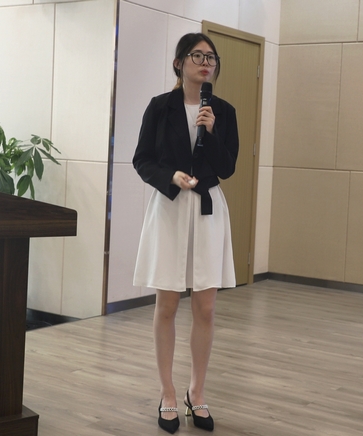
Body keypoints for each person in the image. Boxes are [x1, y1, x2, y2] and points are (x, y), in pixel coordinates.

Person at [132, 32, 239, 434]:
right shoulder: (159, 107)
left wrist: (211, 133)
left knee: (206, 307)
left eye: (211, 57)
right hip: (171, 205)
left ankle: (197, 391)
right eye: (197, 55)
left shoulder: (223, 111)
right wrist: (170, 177)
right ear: (179, 63)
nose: (206, 63)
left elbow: (227, 167)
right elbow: (142, 160)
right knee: (167, 304)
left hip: (208, 209)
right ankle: (168, 393)